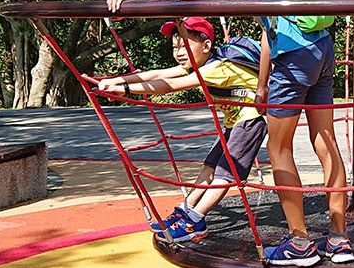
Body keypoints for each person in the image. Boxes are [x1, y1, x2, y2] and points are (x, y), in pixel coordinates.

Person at [108, 0, 352, 267]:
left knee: (278, 147)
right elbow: (270, 31)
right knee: (325, 142)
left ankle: (300, 243)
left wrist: (145, 2)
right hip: (321, 48)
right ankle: (339, 238)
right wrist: (264, 83)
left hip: (296, 57)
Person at [96, 16, 267, 244]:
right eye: (175, 46)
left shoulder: (217, 68)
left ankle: (195, 220)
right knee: (210, 167)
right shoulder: (202, 63)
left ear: (206, 46)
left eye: (185, 45)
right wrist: (115, 80)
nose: (179, 51)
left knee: (227, 174)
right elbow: (156, 74)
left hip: (250, 121)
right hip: (233, 122)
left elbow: (171, 85)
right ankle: (186, 209)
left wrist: (125, 89)